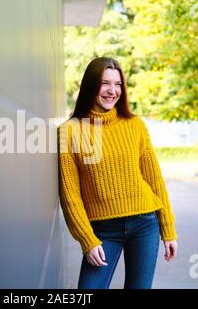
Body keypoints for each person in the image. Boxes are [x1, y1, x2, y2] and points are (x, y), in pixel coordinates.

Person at [58, 57, 178, 289]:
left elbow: (154, 180)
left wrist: (168, 230)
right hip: (103, 231)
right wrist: (87, 240)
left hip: (145, 223)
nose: (112, 91)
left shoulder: (135, 125)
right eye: (104, 83)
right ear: (90, 85)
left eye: (118, 84)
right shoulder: (69, 131)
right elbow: (70, 195)